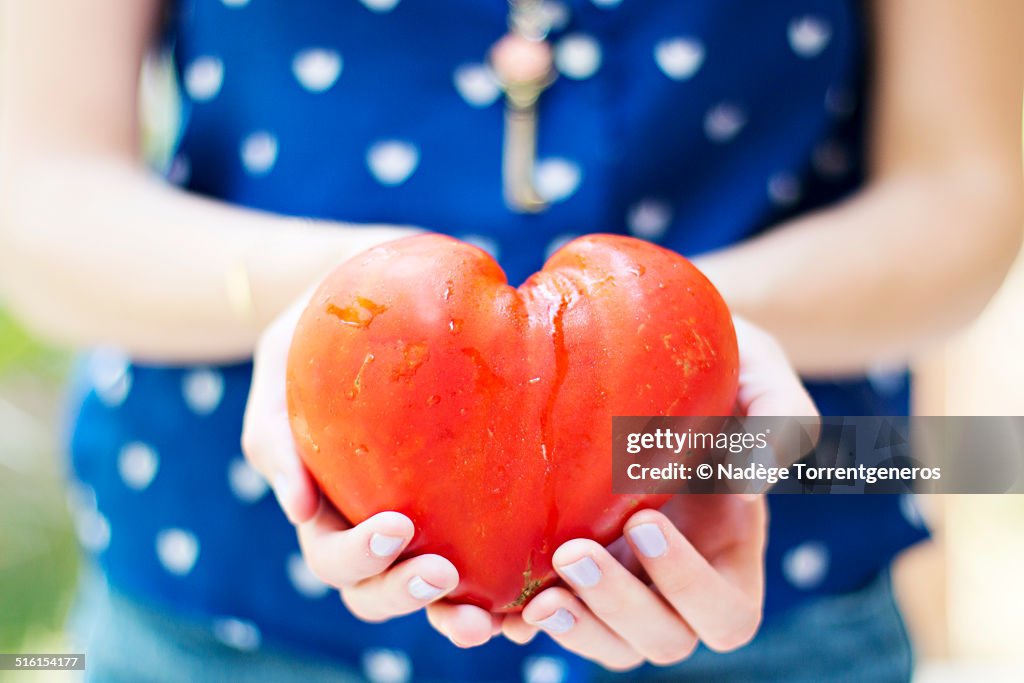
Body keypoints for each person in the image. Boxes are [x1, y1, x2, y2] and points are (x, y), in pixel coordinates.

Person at [0, 0, 1019, 681]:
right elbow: (37, 203)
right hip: (221, 609)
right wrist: (325, 307)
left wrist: (690, 337)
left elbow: (969, 199)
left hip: (760, 550)